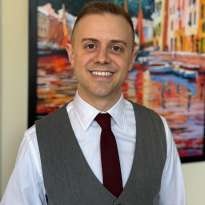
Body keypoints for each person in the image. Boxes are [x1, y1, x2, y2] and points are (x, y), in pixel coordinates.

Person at [1, 2, 186, 205]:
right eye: (90, 45)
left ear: (132, 57)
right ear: (72, 54)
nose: (102, 58)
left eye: (116, 48)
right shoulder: (35, 142)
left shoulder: (159, 131)